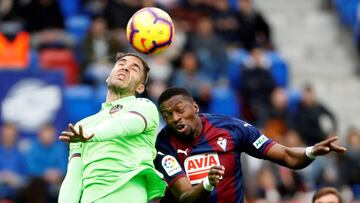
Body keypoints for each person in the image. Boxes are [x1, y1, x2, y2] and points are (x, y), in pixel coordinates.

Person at [154, 87, 346, 203]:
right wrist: (207, 183)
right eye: (167, 115)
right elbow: (185, 197)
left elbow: (287, 156)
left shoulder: (232, 128)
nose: (175, 118)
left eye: (179, 110)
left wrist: (311, 151)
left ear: (195, 107)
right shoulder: (164, 143)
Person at [58, 52, 167, 203]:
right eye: (121, 64)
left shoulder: (144, 106)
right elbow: (73, 177)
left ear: (141, 88)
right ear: (108, 76)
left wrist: (92, 135)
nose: (125, 68)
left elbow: (125, 125)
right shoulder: (83, 126)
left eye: (134, 68)